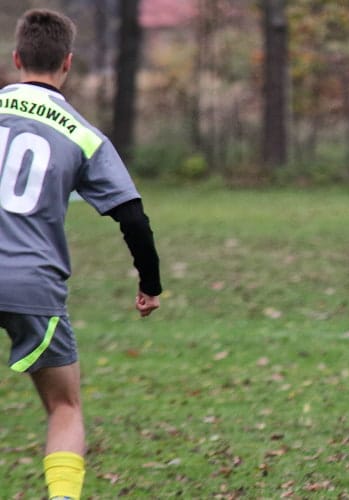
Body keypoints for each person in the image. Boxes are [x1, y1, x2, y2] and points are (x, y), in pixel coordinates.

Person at [1, 9, 162, 499]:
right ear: (68, 63)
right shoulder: (84, 134)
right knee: (64, 408)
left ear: (15, 57)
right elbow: (132, 216)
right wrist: (150, 284)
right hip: (34, 285)